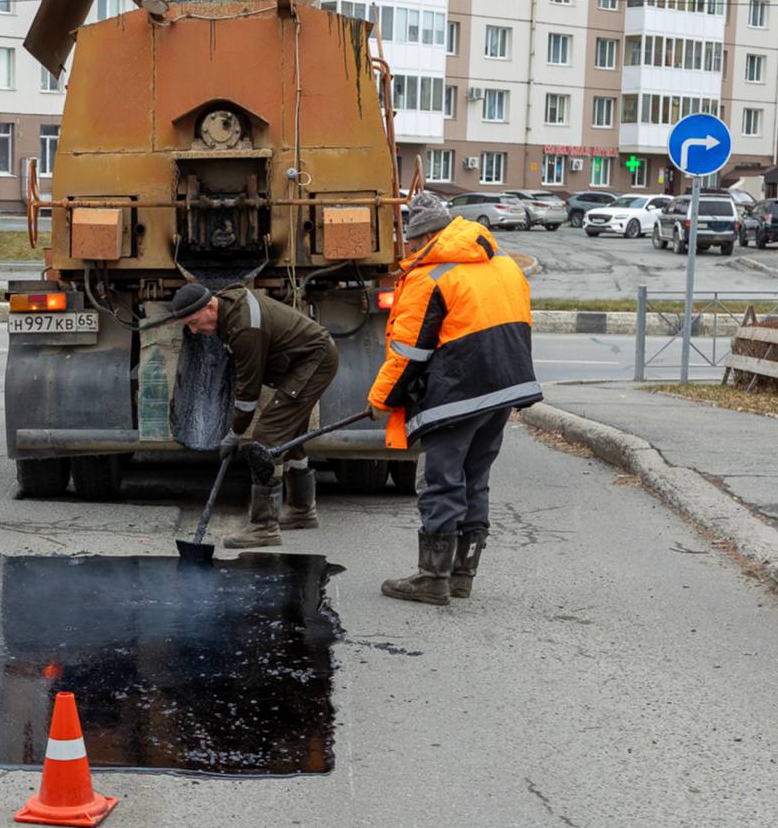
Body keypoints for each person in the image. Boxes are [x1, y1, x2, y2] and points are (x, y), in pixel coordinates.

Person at [368, 192, 542, 606]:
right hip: (504, 388)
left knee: (441, 480)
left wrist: (380, 400)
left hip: (458, 394)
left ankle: (432, 578)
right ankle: (462, 575)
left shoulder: (432, 276)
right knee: (474, 479)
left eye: (410, 242)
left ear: (424, 237)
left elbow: (408, 353)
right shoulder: (503, 264)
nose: (408, 250)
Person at [172, 281, 339, 548]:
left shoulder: (245, 328)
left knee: (267, 437)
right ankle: (302, 510)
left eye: (194, 322)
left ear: (209, 306)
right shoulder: (228, 308)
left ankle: (264, 528)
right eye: (189, 326)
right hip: (301, 361)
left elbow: (248, 393)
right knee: (289, 434)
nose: (195, 331)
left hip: (313, 361)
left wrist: (234, 433)